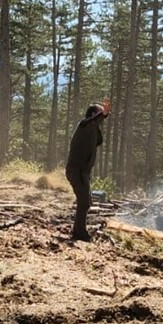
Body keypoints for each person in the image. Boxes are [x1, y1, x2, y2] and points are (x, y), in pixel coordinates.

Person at [65, 100, 111, 241]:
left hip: (83, 172)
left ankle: (79, 230)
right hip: (76, 170)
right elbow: (91, 121)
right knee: (84, 201)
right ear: (93, 114)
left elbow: (99, 141)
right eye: (98, 113)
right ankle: (80, 232)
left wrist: (103, 116)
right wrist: (102, 114)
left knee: (86, 202)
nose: (101, 119)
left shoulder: (92, 130)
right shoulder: (84, 125)